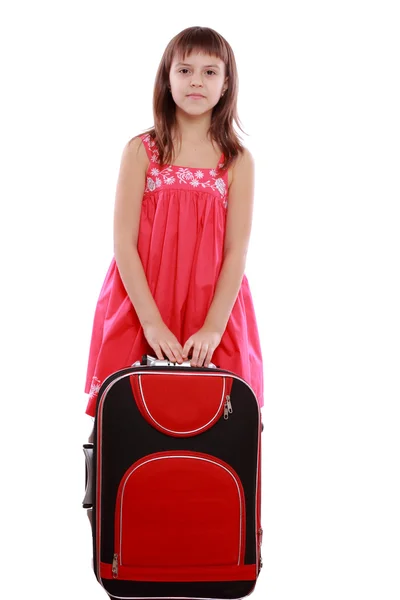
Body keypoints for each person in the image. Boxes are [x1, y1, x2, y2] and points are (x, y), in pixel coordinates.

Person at [84, 24, 264, 428]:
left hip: (212, 307)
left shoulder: (237, 161)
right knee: (129, 420)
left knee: (217, 424)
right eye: (184, 70)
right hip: (142, 301)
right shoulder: (141, 151)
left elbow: (237, 250)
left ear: (226, 83)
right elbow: (123, 243)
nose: (196, 81)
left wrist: (214, 328)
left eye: (209, 71)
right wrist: (150, 321)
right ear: (167, 79)